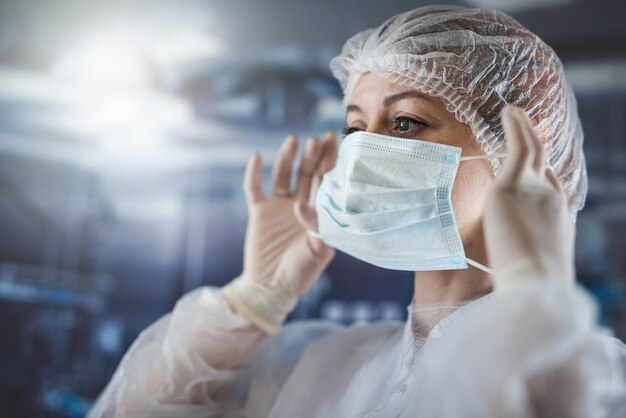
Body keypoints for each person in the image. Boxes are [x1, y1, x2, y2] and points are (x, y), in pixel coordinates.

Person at [88, 5, 626, 418]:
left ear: (520, 150)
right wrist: (253, 300)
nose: (364, 153)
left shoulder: (599, 379)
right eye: (356, 127)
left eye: (406, 123)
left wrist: (535, 299)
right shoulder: (316, 362)